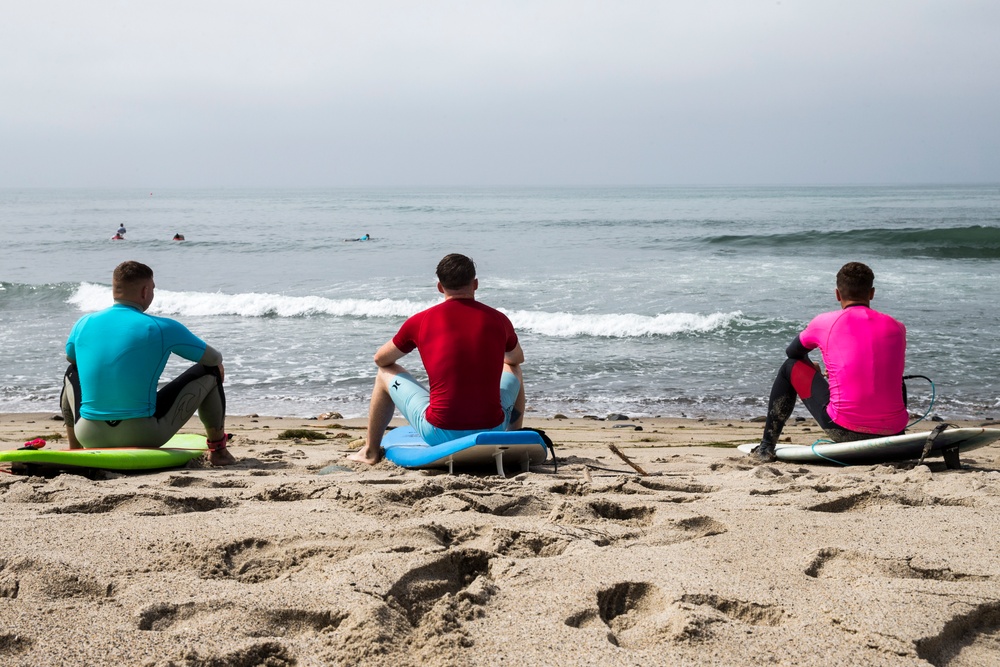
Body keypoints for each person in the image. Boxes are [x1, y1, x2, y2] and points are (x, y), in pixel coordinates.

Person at [348, 253, 526, 465]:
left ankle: (370, 451)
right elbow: (516, 358)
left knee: (384, 373)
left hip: (438, 432)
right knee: (513, 368)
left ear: (440, 287)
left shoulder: (421, 321)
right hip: (493, 428)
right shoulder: (498, 319)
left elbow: (380, 359)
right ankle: (514, 439)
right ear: (475, 284)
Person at [59, 261, 236, 466]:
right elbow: (213, 358)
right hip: (143, 435)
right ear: (145, 291)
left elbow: (72, 359)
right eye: (153, 288)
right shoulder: (162, 327)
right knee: (211, 370)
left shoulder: (83, 323)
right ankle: (219, 451)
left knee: (72, 371)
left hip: (89, 435)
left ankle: (74, 450)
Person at [750, 262, 908, 462]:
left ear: (837, 294)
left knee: (789, 367)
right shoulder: (897, 327)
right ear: (872, 293)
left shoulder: (824, 322)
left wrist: (809, 367)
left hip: (844, 427)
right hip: (892, 433)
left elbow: (792, 352)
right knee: (895, 377)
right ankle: (898, 431)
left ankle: (766, 446)